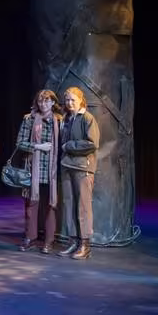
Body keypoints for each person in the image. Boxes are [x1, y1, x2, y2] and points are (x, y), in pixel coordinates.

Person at [16, 90, 63, 254]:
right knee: (31, 204)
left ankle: (49, 241)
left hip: (52, 170)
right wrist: (37, 146)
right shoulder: (29, 119)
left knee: (51, 205)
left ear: (52, 103)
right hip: (33, 168)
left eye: (47, 101)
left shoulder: (60, 120)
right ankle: (30, 237)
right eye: (40, 101)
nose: (43, 104)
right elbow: (20, 143)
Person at [58, 86, 100, 260]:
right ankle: (73, 241)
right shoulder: (67, 118)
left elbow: (92, 143)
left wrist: (69, 146)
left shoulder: (88, 118)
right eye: (67, 100)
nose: (69, 103)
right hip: (67, 167)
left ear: (80, 100)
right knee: (69, 205)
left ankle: (85, 245)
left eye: (72, 100)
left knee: (83, 207)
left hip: (82, 168)